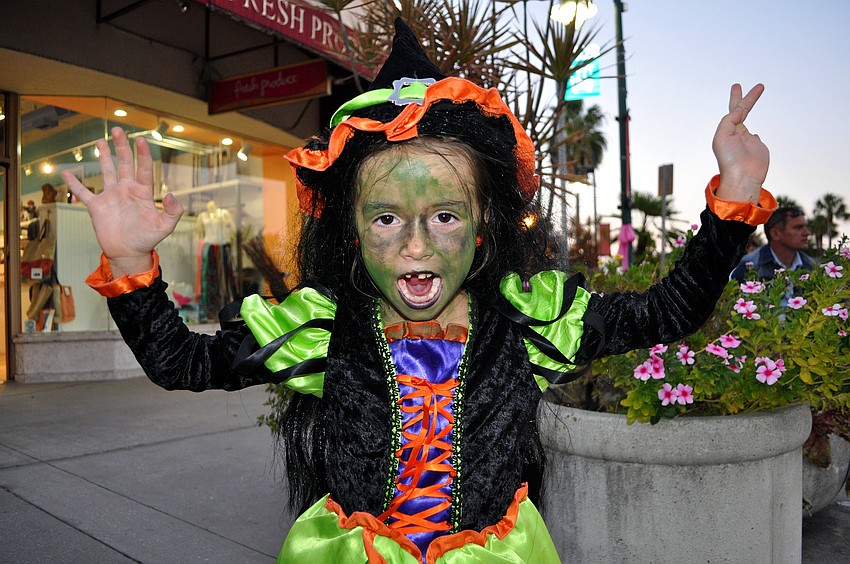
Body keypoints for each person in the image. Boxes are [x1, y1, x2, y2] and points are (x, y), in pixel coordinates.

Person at [62, 19, 775, 564]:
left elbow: (670, 310)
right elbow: (184, 363)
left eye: (444, 215)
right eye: (385, 218)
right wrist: (129, 260)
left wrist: (733, 202)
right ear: (351, 231)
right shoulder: (322, 328)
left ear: (483, 224)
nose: (415, 245)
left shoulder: (530, 322)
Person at [730, 206, 815, 282]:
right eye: (798, 227)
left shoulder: (812, 266)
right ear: (775, 234)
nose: (807, 233)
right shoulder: (749, 265)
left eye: (805, 226)